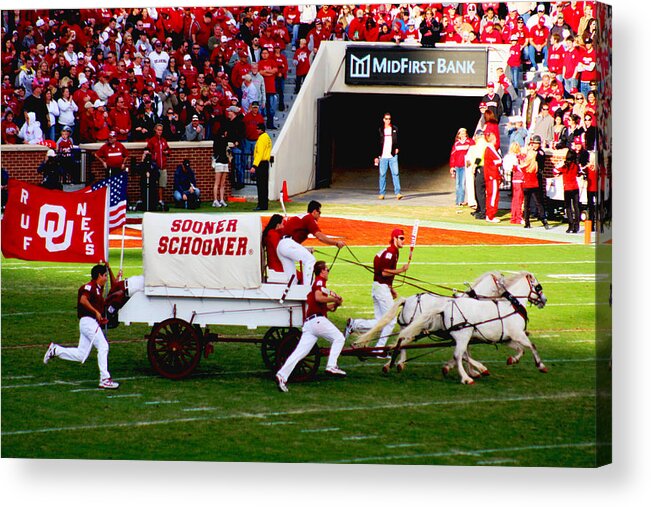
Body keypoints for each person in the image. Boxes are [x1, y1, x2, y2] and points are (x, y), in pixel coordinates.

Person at [43, 264, 120, 390]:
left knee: (81, 354)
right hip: (88, 322)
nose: (106, 278)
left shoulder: (98, 288)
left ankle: (55, 350)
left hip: (89, 323)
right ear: (99, 275)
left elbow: (114, 284)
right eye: (105, 275)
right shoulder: (90, 287)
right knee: (103, 346)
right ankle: (105, 379)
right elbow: (83, 300)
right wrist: (95, 312)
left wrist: (111, 270)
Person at [274, 260, 347, 393]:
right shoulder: (320, 281)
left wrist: (335, 304)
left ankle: (282, 375)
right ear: (322, 271)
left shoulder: (321, 285)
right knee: (339, 338)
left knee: (299, 353)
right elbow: (318, 298)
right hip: (317, 321)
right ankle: (332, 365)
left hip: (310, 324)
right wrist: (334, 299)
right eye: (327, 269)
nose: (328, 271)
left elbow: (326, 307)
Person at [344, 228, 410, 353]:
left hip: (379, 287)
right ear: (394, 238)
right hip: (381, 288)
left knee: (381, 322)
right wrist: (401, 270)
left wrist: (391, 288)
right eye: (401, 238)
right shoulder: (391, 252)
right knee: (390, 321)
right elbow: (384, 272)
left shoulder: (390, 251)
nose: (403, 241)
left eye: (404, 238)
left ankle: (354, 324)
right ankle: (379, 350)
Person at [277, 200, 345, 286]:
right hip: (287, 244)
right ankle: (307, 289)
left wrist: (305, 249)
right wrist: (336, 243)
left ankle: (293, 295)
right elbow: (320, 236)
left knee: (292, 279)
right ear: (314, 211)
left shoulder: (303, 217)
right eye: (319, 213)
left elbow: (292, 241)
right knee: (310, 260)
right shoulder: (309, 218)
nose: (320, 215)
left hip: (282, 246)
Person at [522, 135, 551, 230]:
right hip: (531, 178)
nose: (535, 145)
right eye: (534, 143)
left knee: (538, 201)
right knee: (528, 202)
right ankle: (527, 221)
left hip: (536, 178)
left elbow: (539, 159)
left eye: (537, 143)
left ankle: (543, 219)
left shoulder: (540, 153)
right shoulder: (531, 154)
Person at [553, 143, 582, 234]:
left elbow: (555, 171)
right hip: (575, 188)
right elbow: (579, 173)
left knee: (568, 207)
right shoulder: (575, 166)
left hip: (567, 188)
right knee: (576, 207)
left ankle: (571, 225)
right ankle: (577, 226)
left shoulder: (565, 166)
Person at [375, 112, 403, 200]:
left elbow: (399, 140)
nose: (388, 120)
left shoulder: (395, 129)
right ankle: (382, 193)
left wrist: (398, 148)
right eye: (386, 119)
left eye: (389, 119)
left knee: (395, 173)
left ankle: (398, 193)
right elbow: (376, 143)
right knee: (382, 174)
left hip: (392, 155)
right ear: (383, 120)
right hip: (383, 156)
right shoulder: (380, 129)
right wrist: (376, 156)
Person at [146, 123, 170, 207]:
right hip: (155, 166)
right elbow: (147, 151)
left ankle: (160, 200)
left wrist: (166, 152)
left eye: (161, 130)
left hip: (163, 166)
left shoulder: (163, 141)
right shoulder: (152, 140)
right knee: (154, 184)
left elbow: (168, 150)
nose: (160, 132)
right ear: (155, 130)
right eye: (158, 130)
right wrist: (154, 156)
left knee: (162, 184)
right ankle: (154, 200)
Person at [250, 122, 272, 211]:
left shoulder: (261, 139)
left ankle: (261, 205)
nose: (256, 130)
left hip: (261, 163)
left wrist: (254, 166)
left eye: (258, 129)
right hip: (265, 162)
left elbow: (259, 153)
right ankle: (264, 204)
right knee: (264, 185)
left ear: (261, 129)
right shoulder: (267, 138)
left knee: (260, 185)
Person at [449, 128, 473, 206]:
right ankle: (457, 201)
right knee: (457, 184)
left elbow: (474, 151)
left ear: (466, 134)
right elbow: (453, 155)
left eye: (464, 133)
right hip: (457, 166)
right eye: (461, 133)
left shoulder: (469, 142)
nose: (462, 134)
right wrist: (452, 166)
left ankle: (461, 201)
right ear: (458, 134)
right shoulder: (456, 143)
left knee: (462, 184)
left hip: (464, 166)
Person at [483, 131, 503, 223]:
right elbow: (499, 160)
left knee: (491, 195)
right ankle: (491, 215)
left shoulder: (489, 148)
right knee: (493, 195)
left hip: (491, 175)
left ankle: (489, 214)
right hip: (492, 175)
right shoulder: (490, 148)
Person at [504, 142, 525, 225]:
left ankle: (514, 217)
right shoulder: (517, 157)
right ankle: (518, 217)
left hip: (515, 180)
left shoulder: (508, 157)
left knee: (515, 199)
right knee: (519, 200)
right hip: (519, 179)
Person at [262, 213, 286, 281]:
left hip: (274, 264)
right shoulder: (273, 234)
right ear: (278, 225)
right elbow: (279, 250)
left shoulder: (270, 233)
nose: (283, 226)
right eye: (282, 224)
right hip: (277, 265)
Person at [211, 122, 230, 208]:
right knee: (217, 183)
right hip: (219, 162)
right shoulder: (217, 139)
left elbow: (227, 150)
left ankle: (221, 199)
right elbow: (215, 151)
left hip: (225, 162)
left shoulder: (225, 139)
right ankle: (215, 200)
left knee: (223, 183)